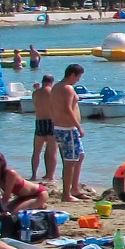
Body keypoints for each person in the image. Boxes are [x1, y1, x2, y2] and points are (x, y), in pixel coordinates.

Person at [51, 65, 89, 201]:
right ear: (72, 75)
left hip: (60, 128)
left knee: (80, 156)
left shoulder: (56, 87)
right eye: (78, 77)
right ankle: (66, 194)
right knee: (70, 162)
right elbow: (67, 109)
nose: (78, 80)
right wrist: (78, 127)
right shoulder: (67, 88)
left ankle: (74, 188)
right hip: (68, 129)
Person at [29, 74, 57, 183]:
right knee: (52, 151)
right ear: (51, 82)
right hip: (51, 121)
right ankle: (51, 175)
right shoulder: (52, 92)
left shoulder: (35, 93)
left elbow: (36, 103)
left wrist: (37, 88)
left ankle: (34, 175)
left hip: (39, 121)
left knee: (36, 151)